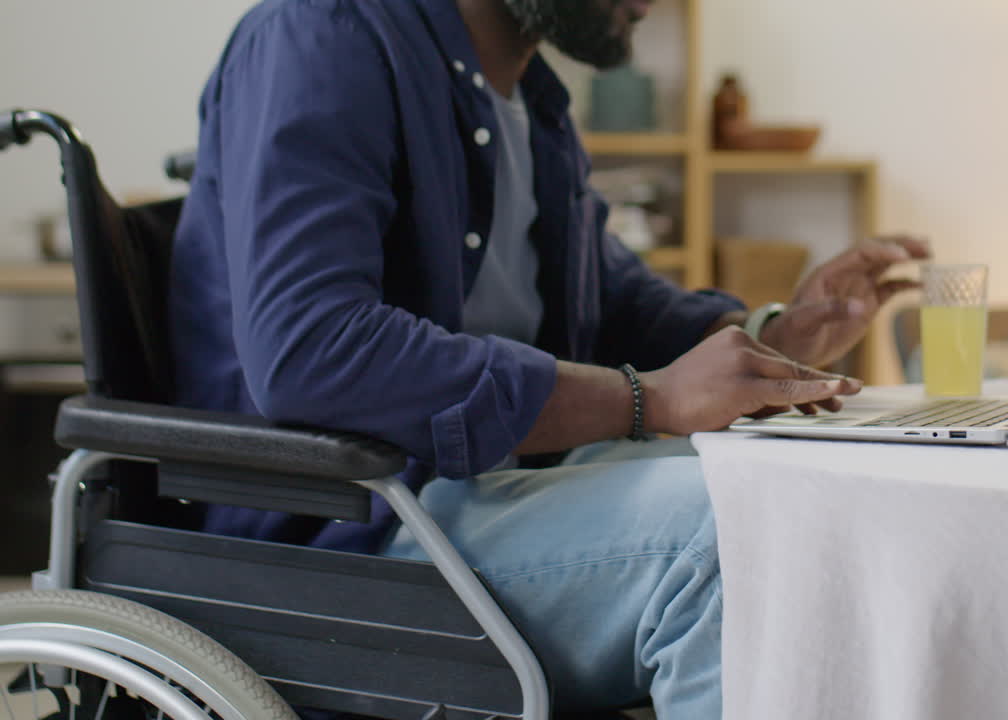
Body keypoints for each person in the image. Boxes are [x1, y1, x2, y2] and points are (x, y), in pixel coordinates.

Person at [169, 0, 929, 716]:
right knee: (735, 538)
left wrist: (778, 338)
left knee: (807, 489)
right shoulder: (325, 33)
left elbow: (615, 302)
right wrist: (647, 400)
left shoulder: (533, 101)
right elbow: (312, 351)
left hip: (480, 499)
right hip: (346, 539)